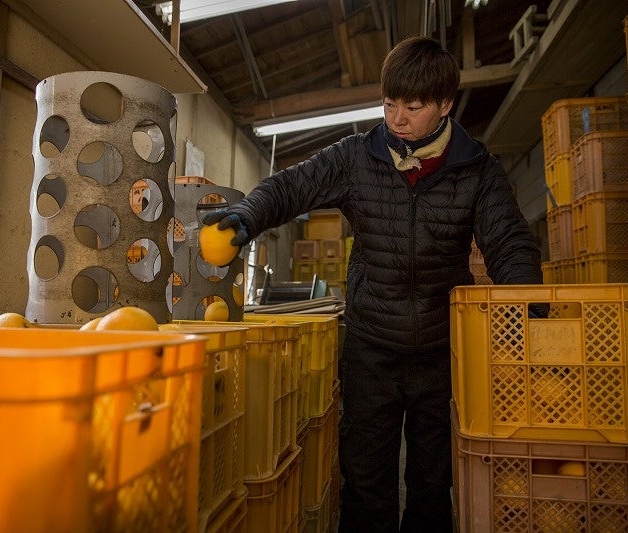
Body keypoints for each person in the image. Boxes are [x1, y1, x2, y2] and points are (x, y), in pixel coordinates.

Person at [203, 35, 543, 532]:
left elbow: (510, 241)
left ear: (445, 105)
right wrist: (245, 217)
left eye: (413, 106)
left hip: (439, 350)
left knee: (433, 481)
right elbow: (289, 187)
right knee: (365, 479)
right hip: (371, 349)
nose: (396, 119)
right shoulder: (355, 158)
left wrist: (528, 303)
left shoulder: (477, 169)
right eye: (388, 104)